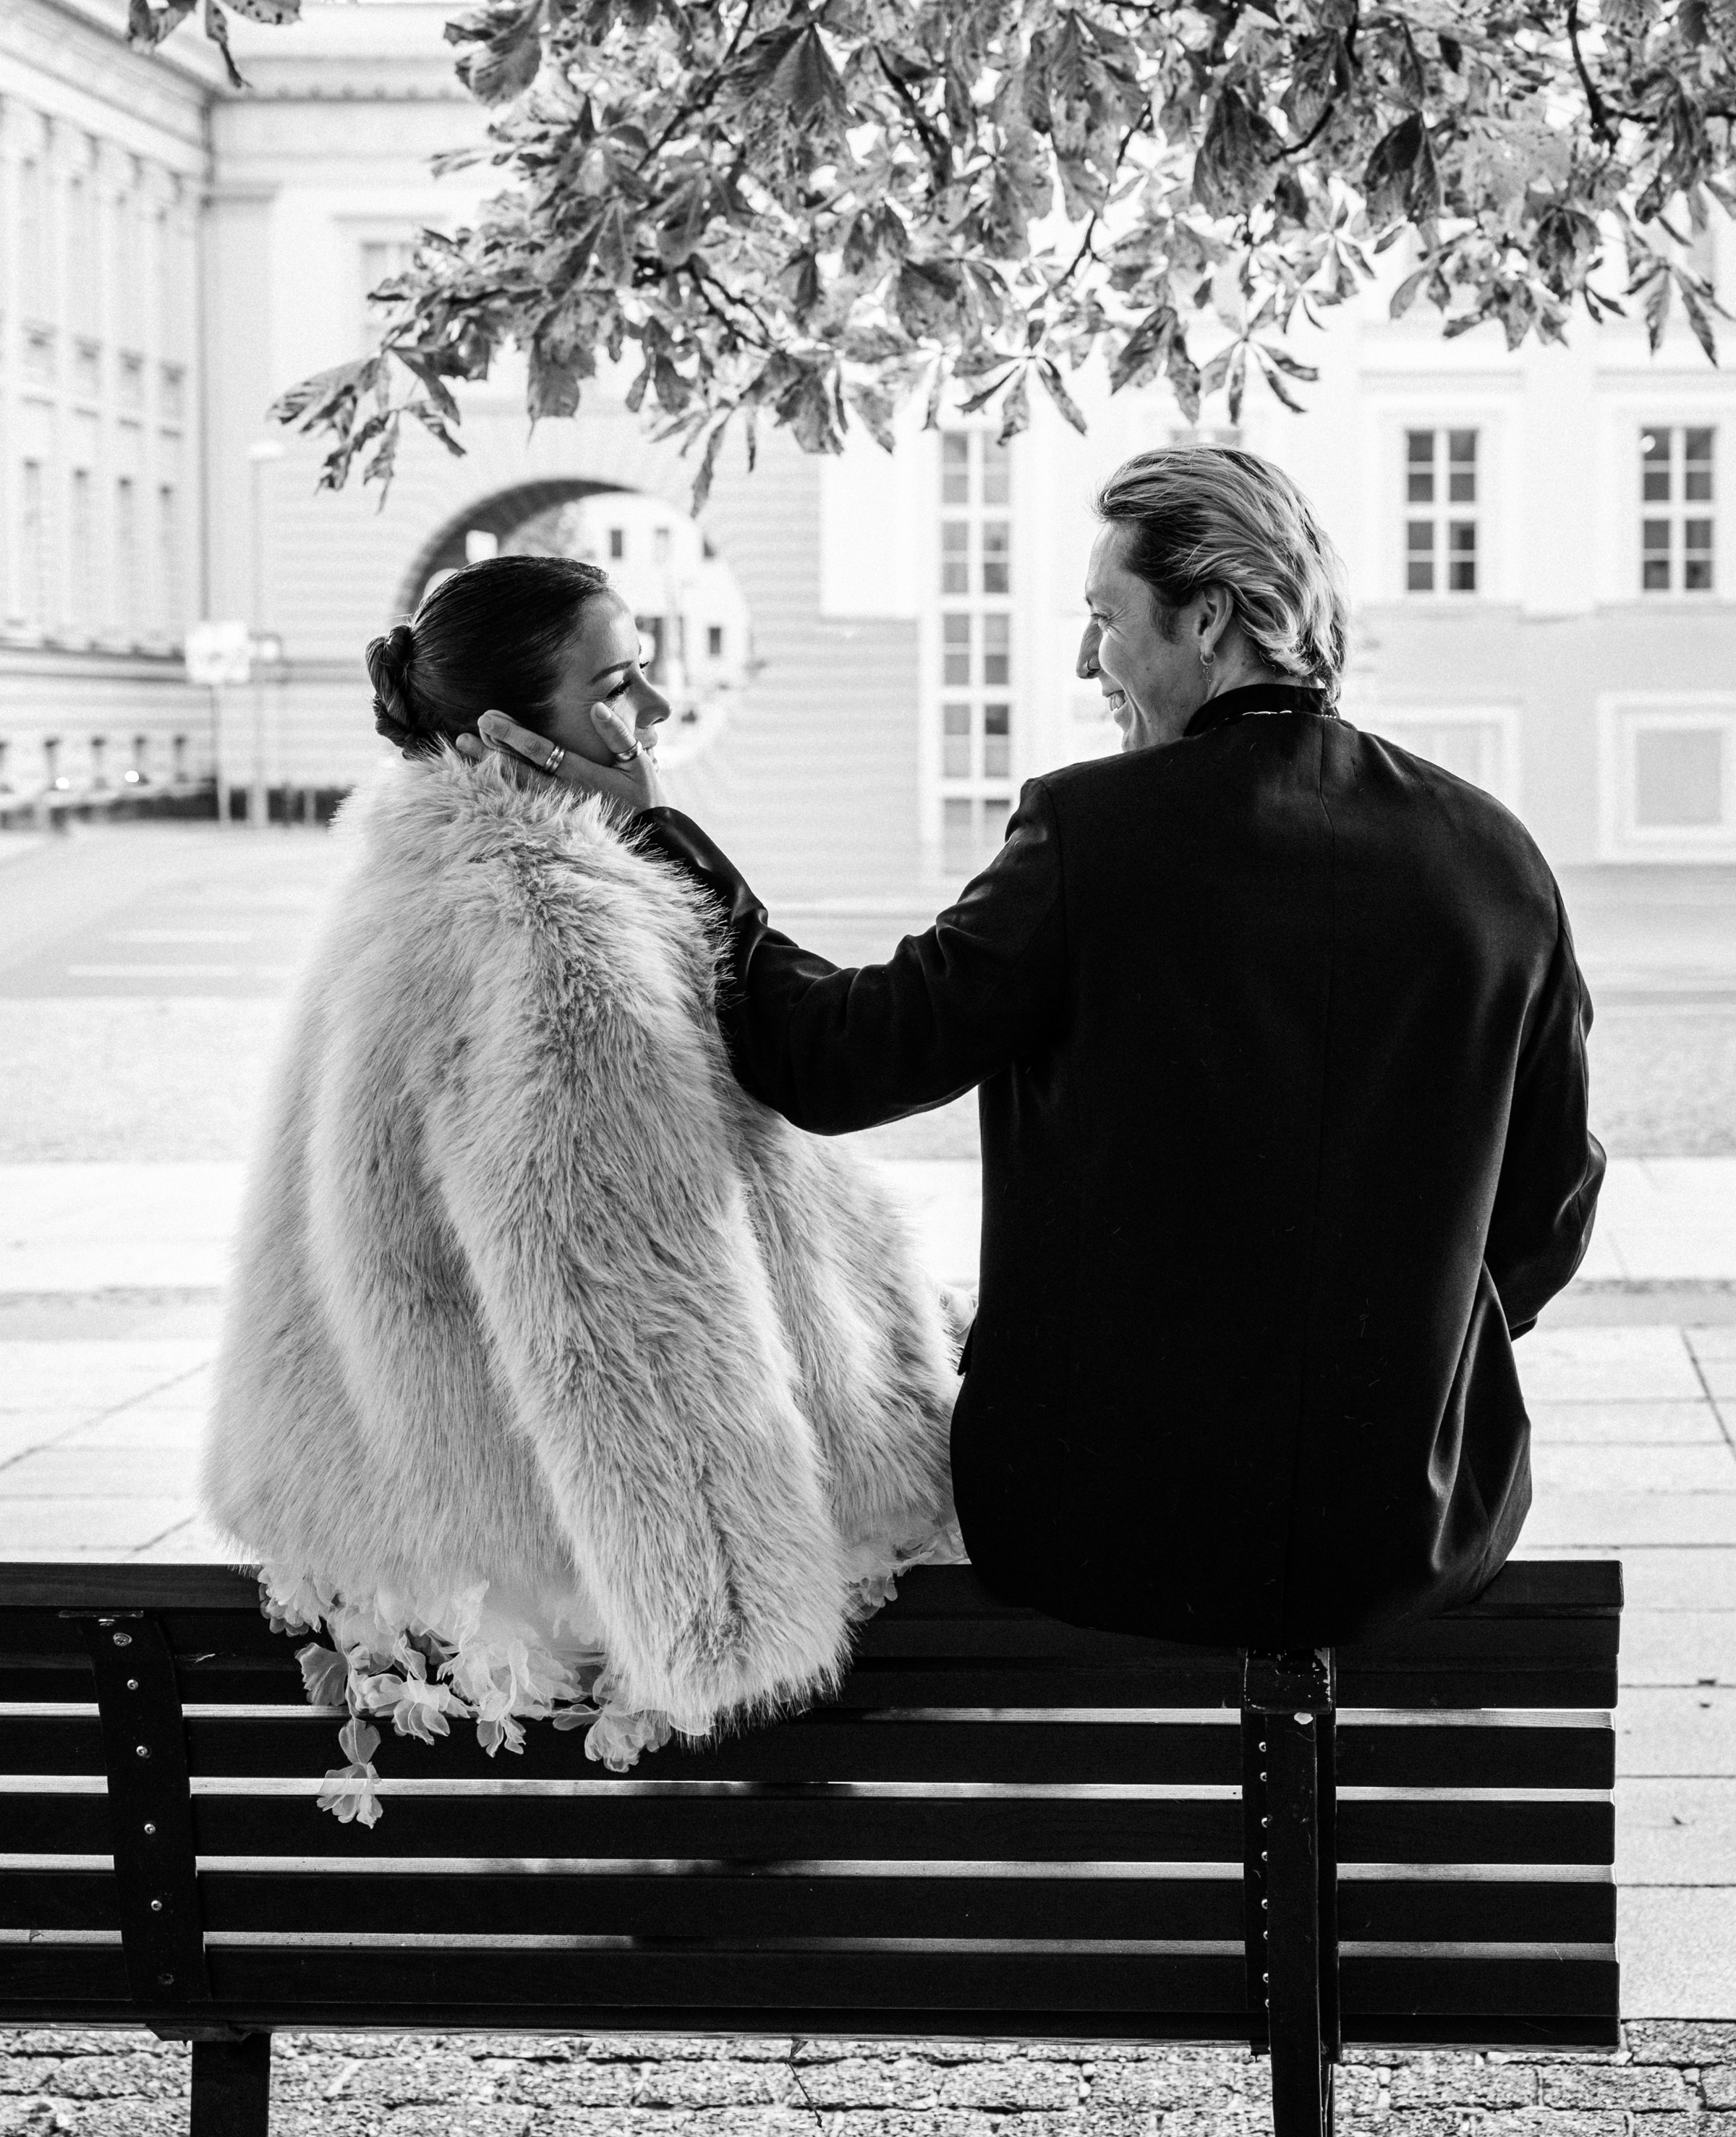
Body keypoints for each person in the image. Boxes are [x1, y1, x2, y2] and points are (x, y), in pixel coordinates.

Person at [481, 449, 1605, 1656]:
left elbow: (836, 1058)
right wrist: (1383, 1360)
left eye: (1103, 618)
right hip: (1414, 1532)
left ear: (1211, 618)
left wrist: (655, 833)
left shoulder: (1094, 836)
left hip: (1107, 1536)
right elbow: (1547, 1213)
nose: (1085, 661)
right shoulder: (1493, 856)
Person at [201, 555, 960, 1816]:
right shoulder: (559, 924)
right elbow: (622, 1304)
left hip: (408, 1511)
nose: (654, 712)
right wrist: (720, 1608)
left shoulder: (407, 881)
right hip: (567, 1578)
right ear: (510, 736)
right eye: (616, 686)